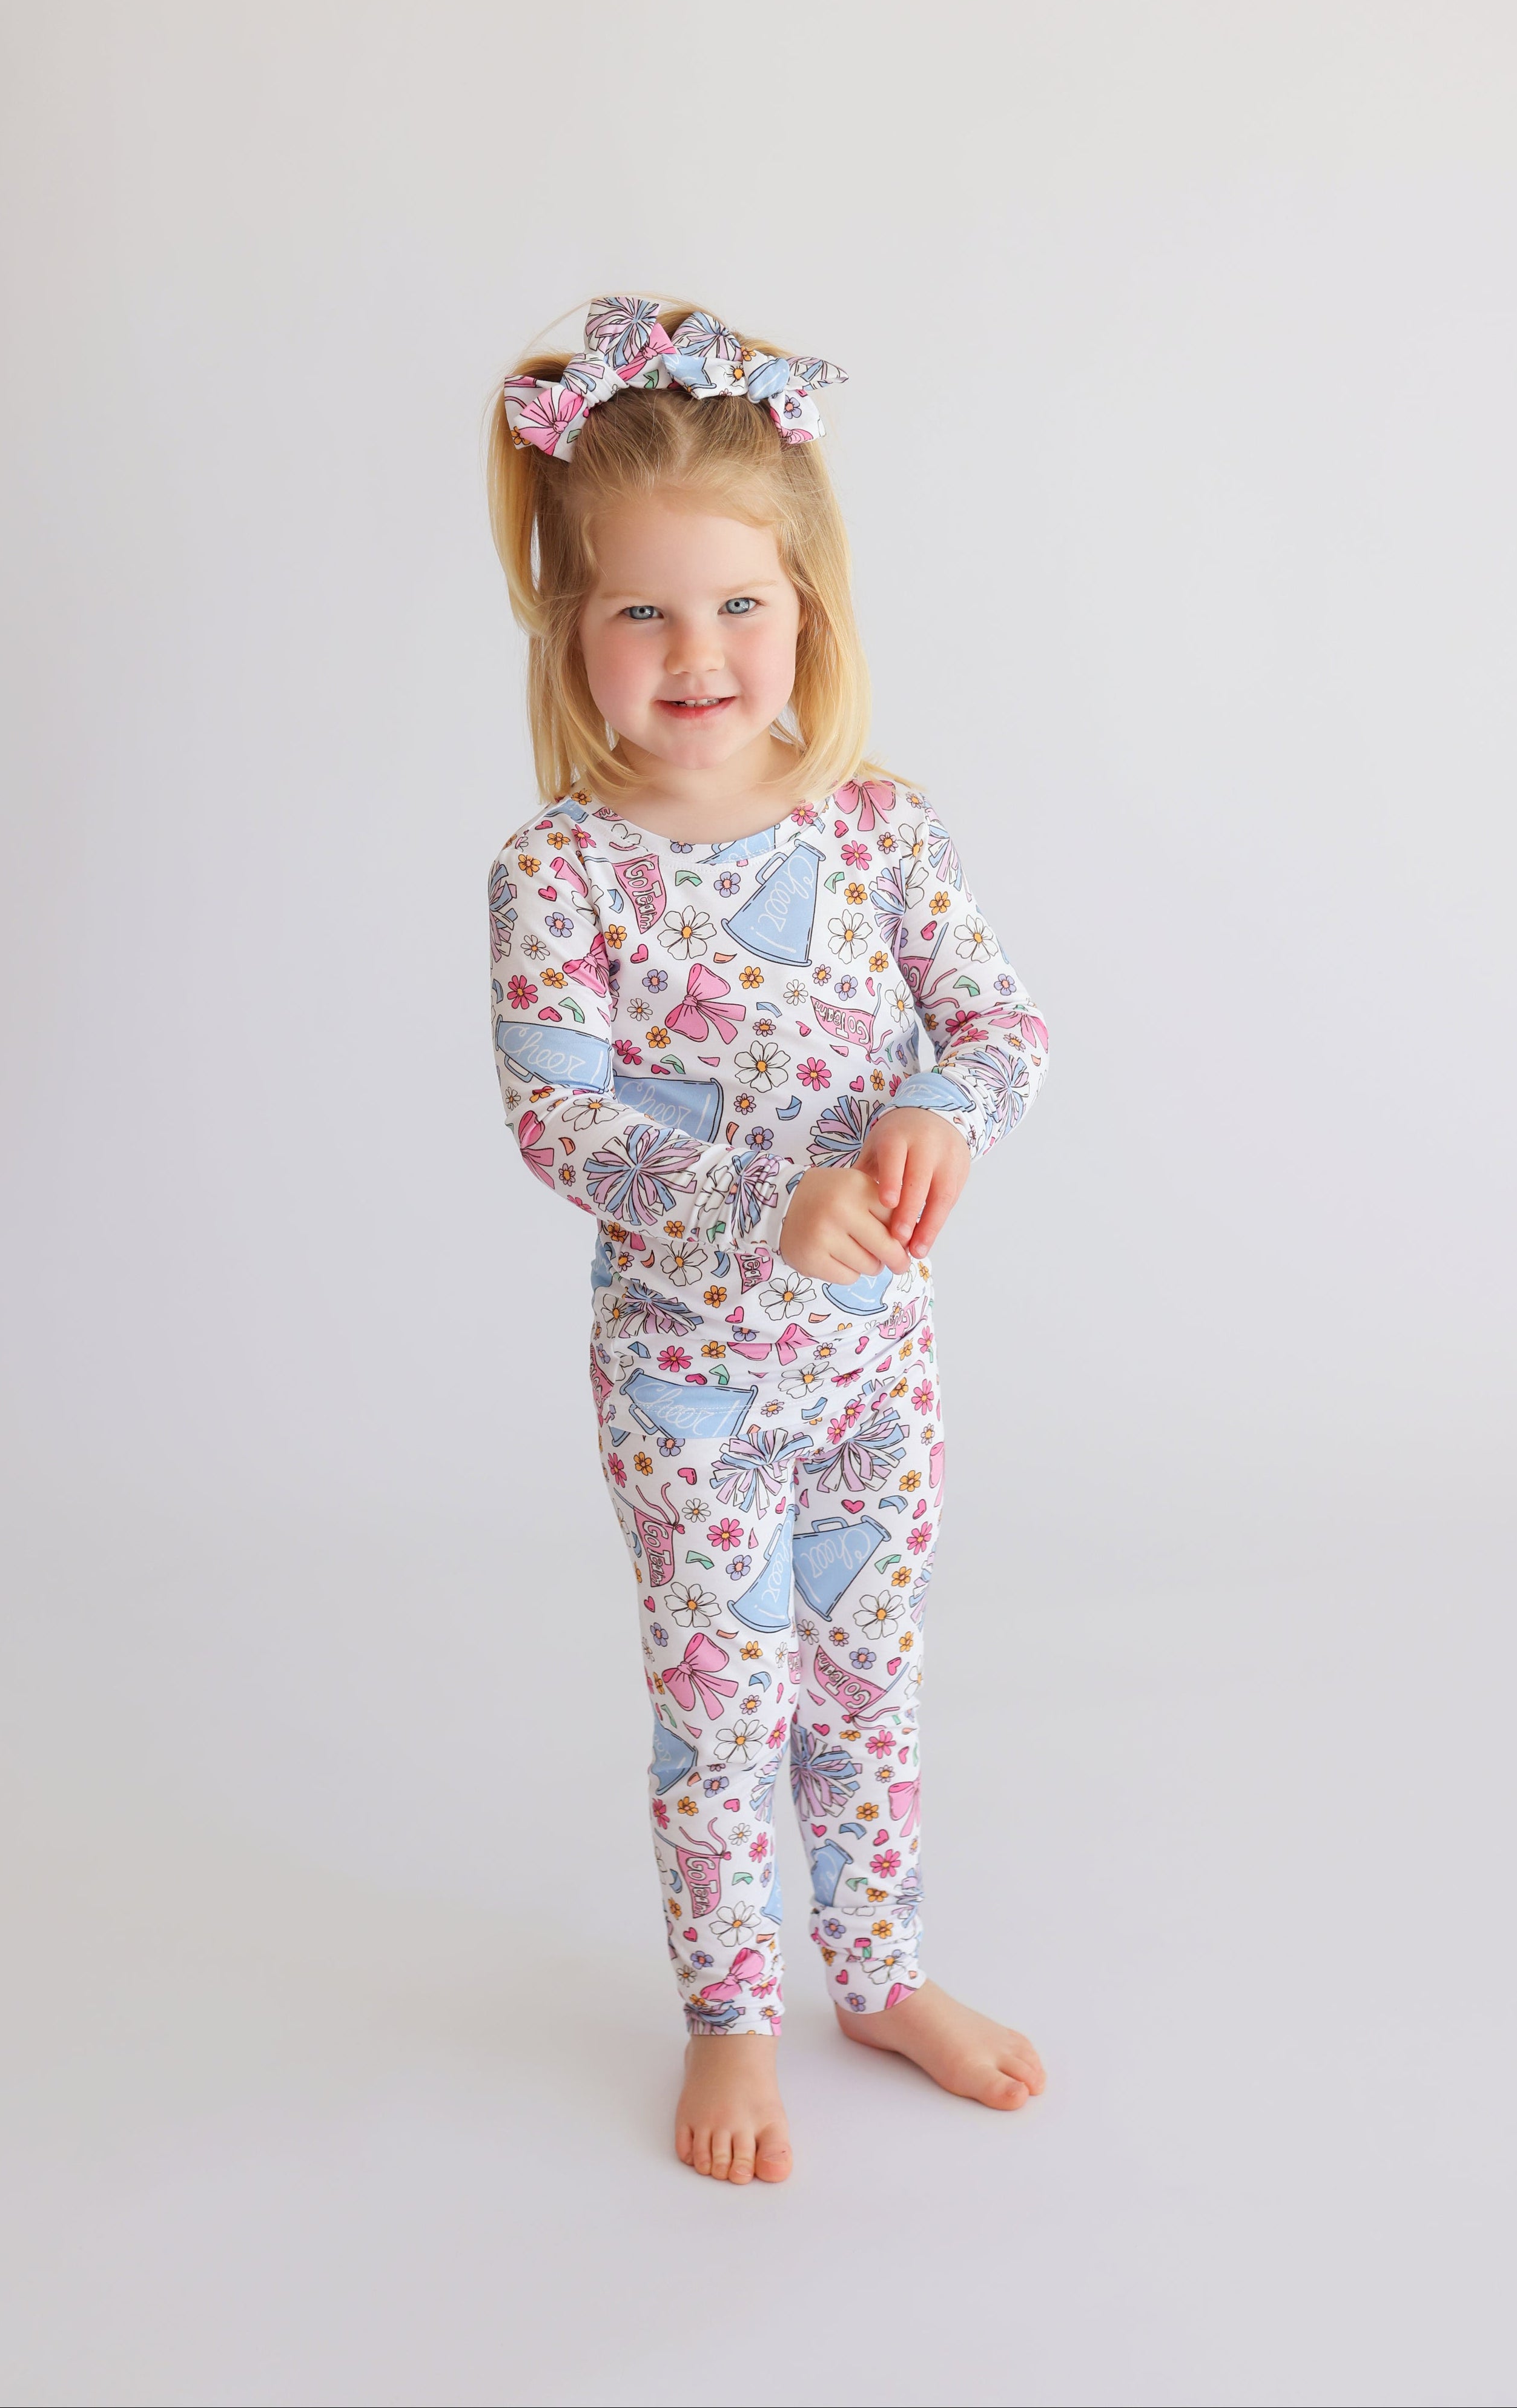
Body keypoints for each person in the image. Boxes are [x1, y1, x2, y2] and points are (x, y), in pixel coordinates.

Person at [484, 296, 1051, 2185]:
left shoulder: (880, 831)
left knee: (867, 1686)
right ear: (572, 629)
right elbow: (562, 1120)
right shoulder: (563, 873)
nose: (697, 653)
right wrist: (762, 1203)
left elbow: (999, 1024)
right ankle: (734, 2013)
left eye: (738, 603)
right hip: (692, 1392)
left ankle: (876, 1974)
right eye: (641, 611)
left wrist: (937, 1110)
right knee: (723, 1705)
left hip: (877, 1377)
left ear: (808, 605)